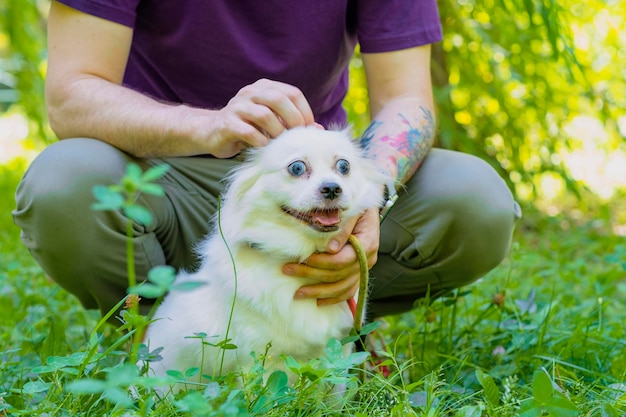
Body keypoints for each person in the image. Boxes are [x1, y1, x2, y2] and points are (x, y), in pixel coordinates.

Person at [13, 0, 520, 322]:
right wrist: (207, 127)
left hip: (313, 198)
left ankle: (331, 325)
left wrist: (371, 202)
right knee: (65, 181)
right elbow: (70, 95)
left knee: (474, 198)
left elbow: (407, 99)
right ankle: (161, 342)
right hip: (166, 181)